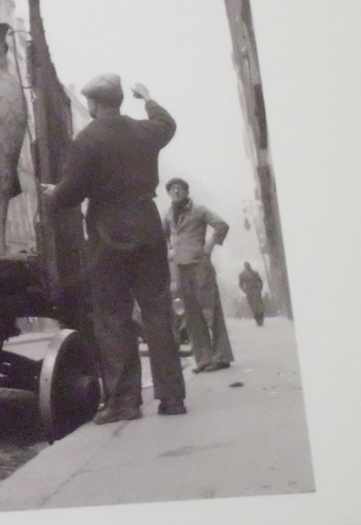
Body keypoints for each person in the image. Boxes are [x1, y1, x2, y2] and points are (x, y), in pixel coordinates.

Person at [41, 75, 186, 421]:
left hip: (109, 230)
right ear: (119, 101)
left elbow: (71, 193)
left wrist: (52, 193)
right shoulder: (144, 132)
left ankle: (125, 402)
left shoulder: (87, 139)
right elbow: (167, 124)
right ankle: (172, 399)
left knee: (112, 316)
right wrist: (148, 98)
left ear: (92, 103)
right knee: (157, 313)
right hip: (147, 223)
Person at [164, 178, 234, 372]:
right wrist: (169, 249)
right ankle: (203, 360)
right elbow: (162, 235)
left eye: (179, 188)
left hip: (200, 265)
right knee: (191, 314)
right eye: (172, 188)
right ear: (169, 192)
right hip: (180, 268)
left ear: (187, 191)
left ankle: (221, 357)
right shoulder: (169, 214)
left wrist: (210, 246)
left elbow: (221, 225)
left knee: (210, 308)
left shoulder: (199, 210)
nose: (176, 191)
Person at [238, 261, 266, 326]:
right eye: (246, 266)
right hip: (249, 292)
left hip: (256, 291)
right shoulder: (242, 275)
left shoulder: (255, 273)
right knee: (253, 307)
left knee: (259, 306)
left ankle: (261, 319)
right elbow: (240, 284)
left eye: (248, 266)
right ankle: (257, 320)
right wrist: (244, 290)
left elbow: (260, 281)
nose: (247, 267)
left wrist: (259, 289)